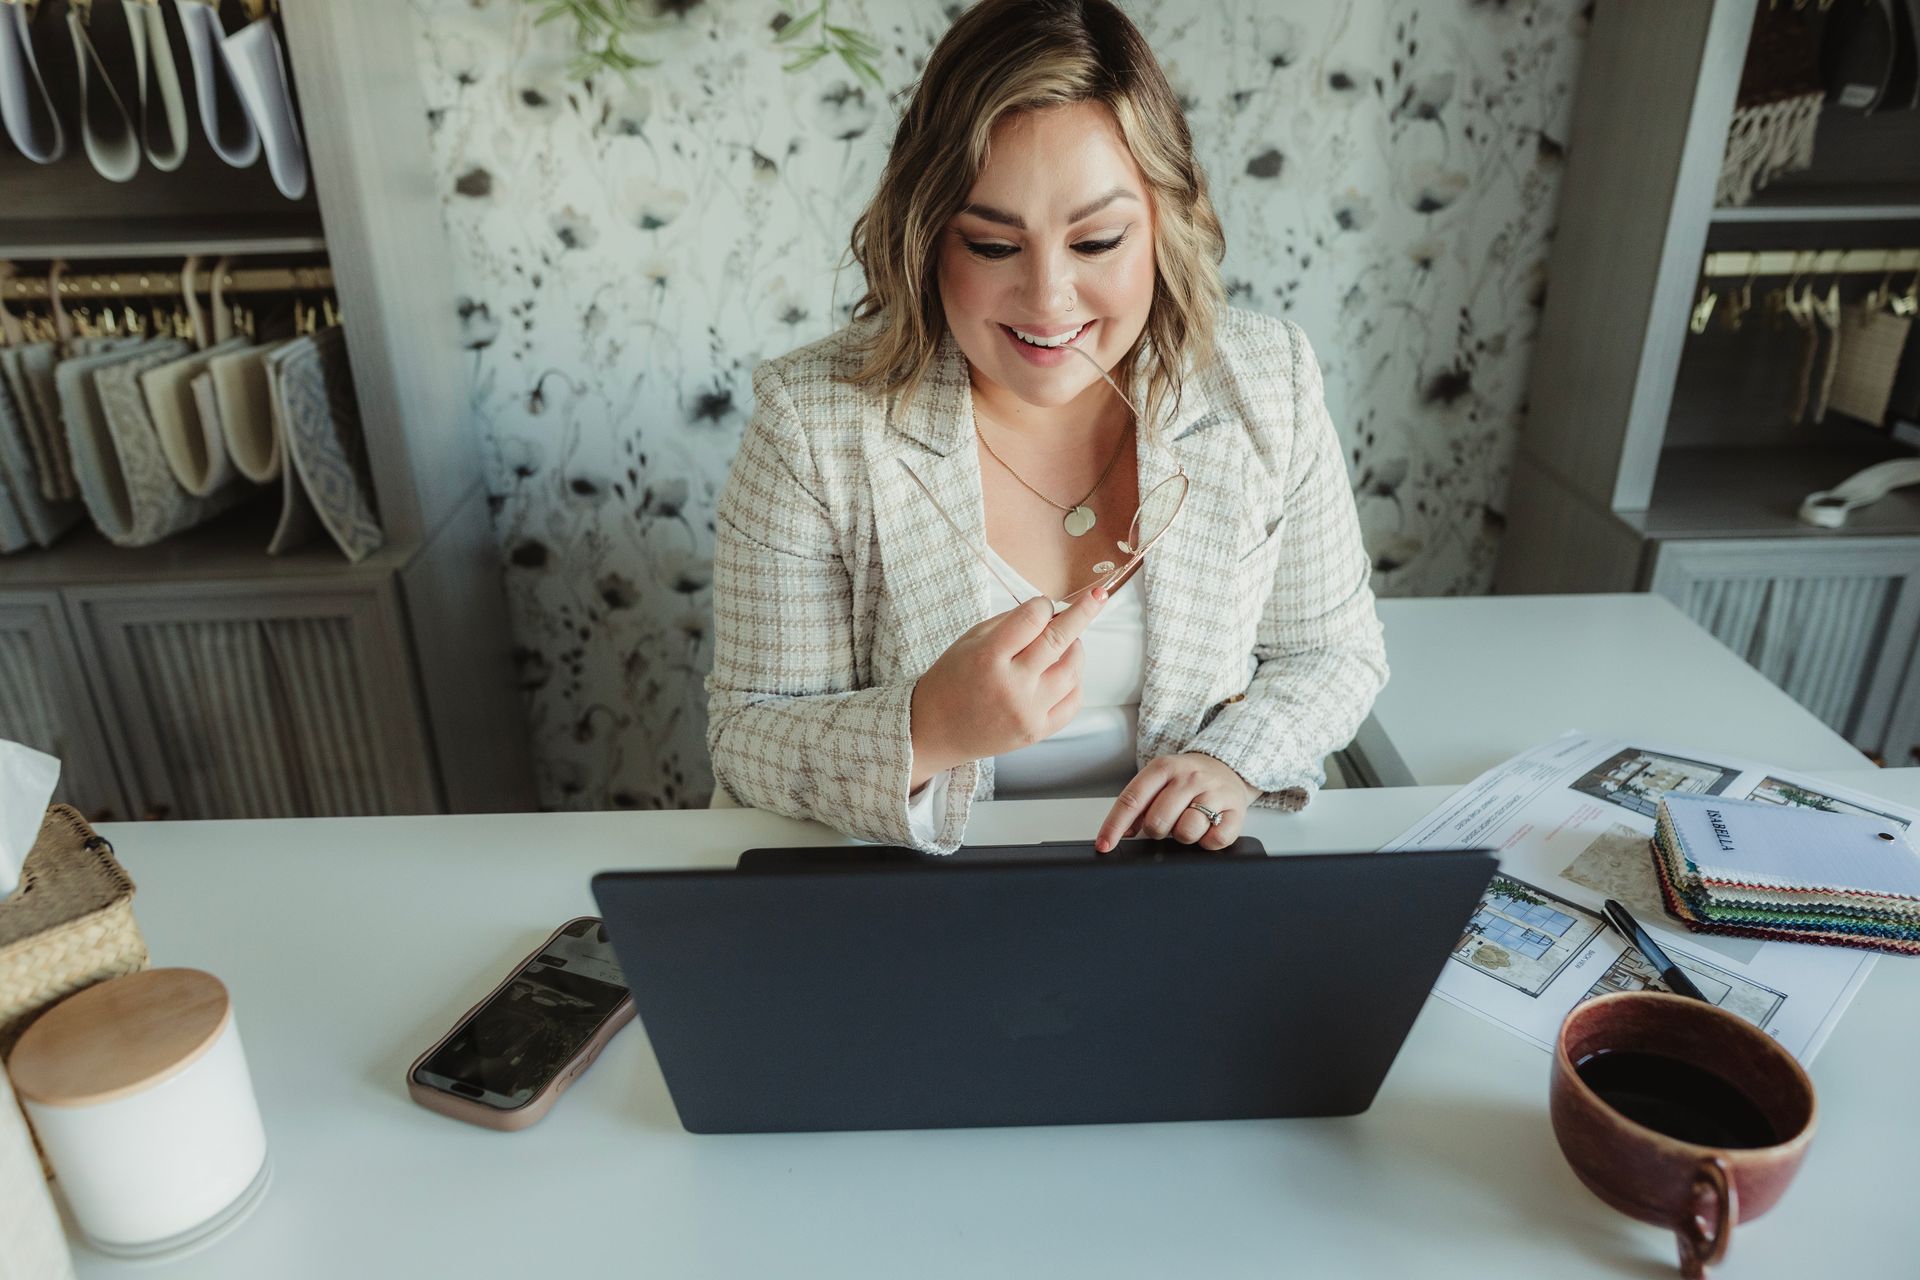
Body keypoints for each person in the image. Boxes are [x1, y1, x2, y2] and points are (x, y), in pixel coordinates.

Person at [707, 0, 1386, 855]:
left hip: (1169, 886)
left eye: (1097, 241)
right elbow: (748, 731)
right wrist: (931, 726)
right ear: (928, 239)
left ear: (1162, 223)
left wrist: (1231, 760)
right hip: (905, 891)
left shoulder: (1267, 381)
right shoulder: (811, 422)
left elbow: (1332, 655)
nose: (1048, 300)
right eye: (993, 247)